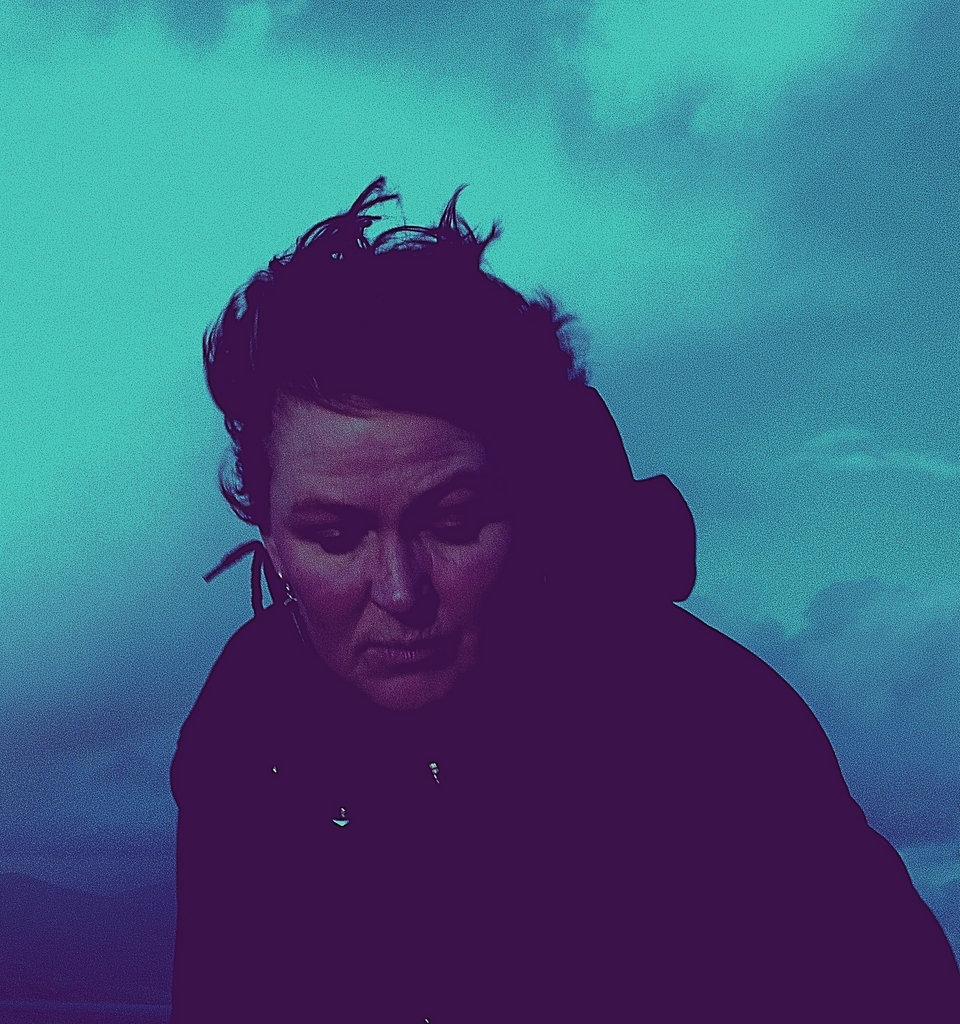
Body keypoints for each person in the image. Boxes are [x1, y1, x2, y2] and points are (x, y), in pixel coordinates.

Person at [169, 178, 960, 1023]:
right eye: (335, 536)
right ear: (270, 537)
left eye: (454, 524)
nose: (400, 590)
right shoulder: (247, 717)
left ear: (532, 505)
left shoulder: (715, 727)